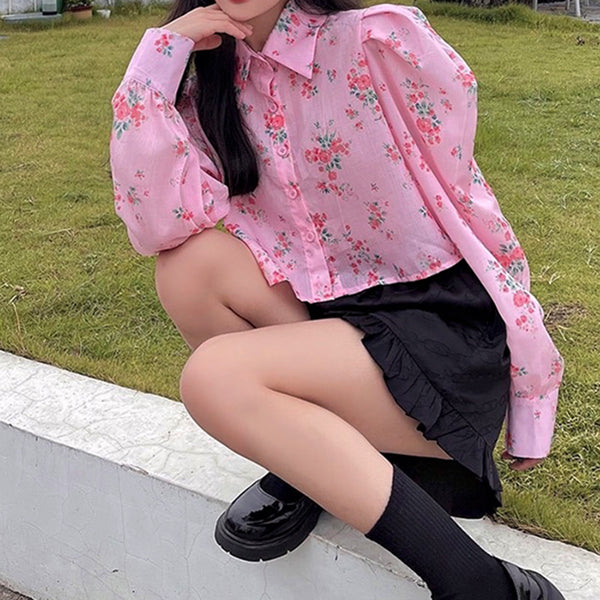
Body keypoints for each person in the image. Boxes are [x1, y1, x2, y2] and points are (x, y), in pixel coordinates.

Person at [108, 0, 566, 597]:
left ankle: (481, 585)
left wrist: (532, 387)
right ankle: (311, 463)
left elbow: (465, 203)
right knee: (186, 269)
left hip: (434, 335)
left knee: (214, 378)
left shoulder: (376, 42)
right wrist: (156, 60)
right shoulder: (213, 85)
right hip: (332, 326)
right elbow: (157, 225)